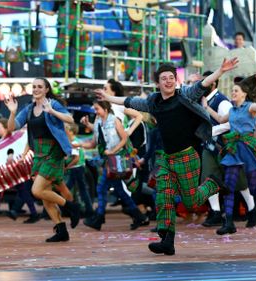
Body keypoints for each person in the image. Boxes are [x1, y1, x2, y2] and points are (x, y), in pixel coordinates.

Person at [97, 59, 238, 255]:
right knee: (164, 197)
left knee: (191, 202)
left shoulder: (185, 95)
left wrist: (221, 70)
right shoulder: (153, 102)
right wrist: (107, 98)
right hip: (166, 158)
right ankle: (167, 241)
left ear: (176, 80)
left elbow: (203, 84)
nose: (169, 81)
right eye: (164, 79)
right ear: (158, 83)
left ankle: (213, 183)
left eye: (172, 78)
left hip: (188, 156)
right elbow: (129, 102)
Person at [4, 77, 80, 242]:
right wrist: (12, 112)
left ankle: (72, 207)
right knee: (45, 197)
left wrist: (52, 111)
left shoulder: (53, 104)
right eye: (34, 87)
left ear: (46, 89)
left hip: (53, 152)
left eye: (39, 87)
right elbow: (11, 128)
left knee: (36, 190)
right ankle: (61, 231)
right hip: (38, 153)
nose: (36, 89)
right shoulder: (29, 109)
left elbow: (70, 119)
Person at [200, 71, 256, 228]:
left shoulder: (223, 102)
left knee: (239, 181)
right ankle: (216, 213)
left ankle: (253, 209)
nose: (200, 84)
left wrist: (211, 132)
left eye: (203, 81)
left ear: (212, 83)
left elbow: (228, 124)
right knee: (209, 177)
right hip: (209, 147)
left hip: (227, 146)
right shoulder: (203, 101)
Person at [77, 100, 147, 231]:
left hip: (117, 159)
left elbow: (124, 138)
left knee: (101, 187)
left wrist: (113, 151)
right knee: (118, 190)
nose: (95, 111)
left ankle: (99, 217)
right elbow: (93, 143)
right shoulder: (98, 123)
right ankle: (138, 216)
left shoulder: (115, 120)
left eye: (97, 109)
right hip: (108, 160)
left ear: (105, 109)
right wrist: (78, 144)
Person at [0, 118, 40, 224]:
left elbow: (12, 148)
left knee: (23, 192)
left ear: (6, 128)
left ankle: (34, 213)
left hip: (15, 170)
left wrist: (10, 154)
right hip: (4, 171)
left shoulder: (11, 138)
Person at [45, 1, 89, 77]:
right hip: (65, 21)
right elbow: (53, 11)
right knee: (62, 46)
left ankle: (78, 72)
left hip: (78, 21)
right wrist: (39, 10)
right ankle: (57, 70)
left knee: (80, 46)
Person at [65, 123, 94, 218]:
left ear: (71, 132)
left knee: (72, 188)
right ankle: (86, 209)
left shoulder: (74, 143)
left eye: (67, 130)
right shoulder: (76, 141)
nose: (65, 131)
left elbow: (76, 158)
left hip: (76, 168)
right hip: (79, 167)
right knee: (80, 189)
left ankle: (84, 209)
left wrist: (67, 166)